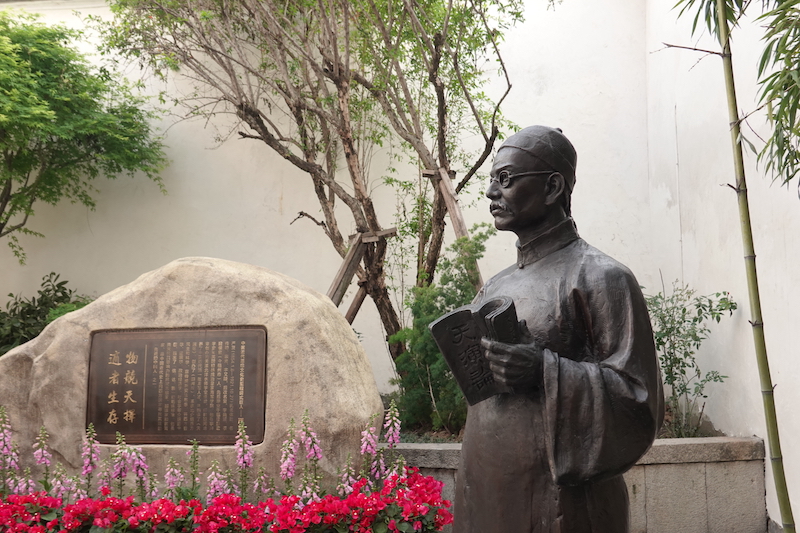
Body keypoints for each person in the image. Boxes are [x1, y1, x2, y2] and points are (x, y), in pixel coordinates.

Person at [453, 126, 663, 533]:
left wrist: (543, 371)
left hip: (561, 499)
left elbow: (638, 398)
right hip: (486, 483)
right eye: (492, 180)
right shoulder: (495, 285)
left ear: (552, 187)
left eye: (505, 179)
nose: (491, 192)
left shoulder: (602, 277)